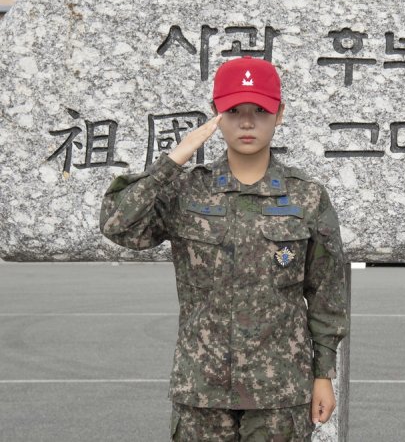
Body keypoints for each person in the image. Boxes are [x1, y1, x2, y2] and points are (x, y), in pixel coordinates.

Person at [100, 56, 348, 441]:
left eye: (259, 111)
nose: (247, 122)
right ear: (217, 114)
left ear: (279, 114)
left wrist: (323, 375)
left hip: (279, 393)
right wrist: (174, 159)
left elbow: (326, 294)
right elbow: (118, 225)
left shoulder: (307, 197)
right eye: (234, 110)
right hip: (202, 390)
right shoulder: (187, 189)